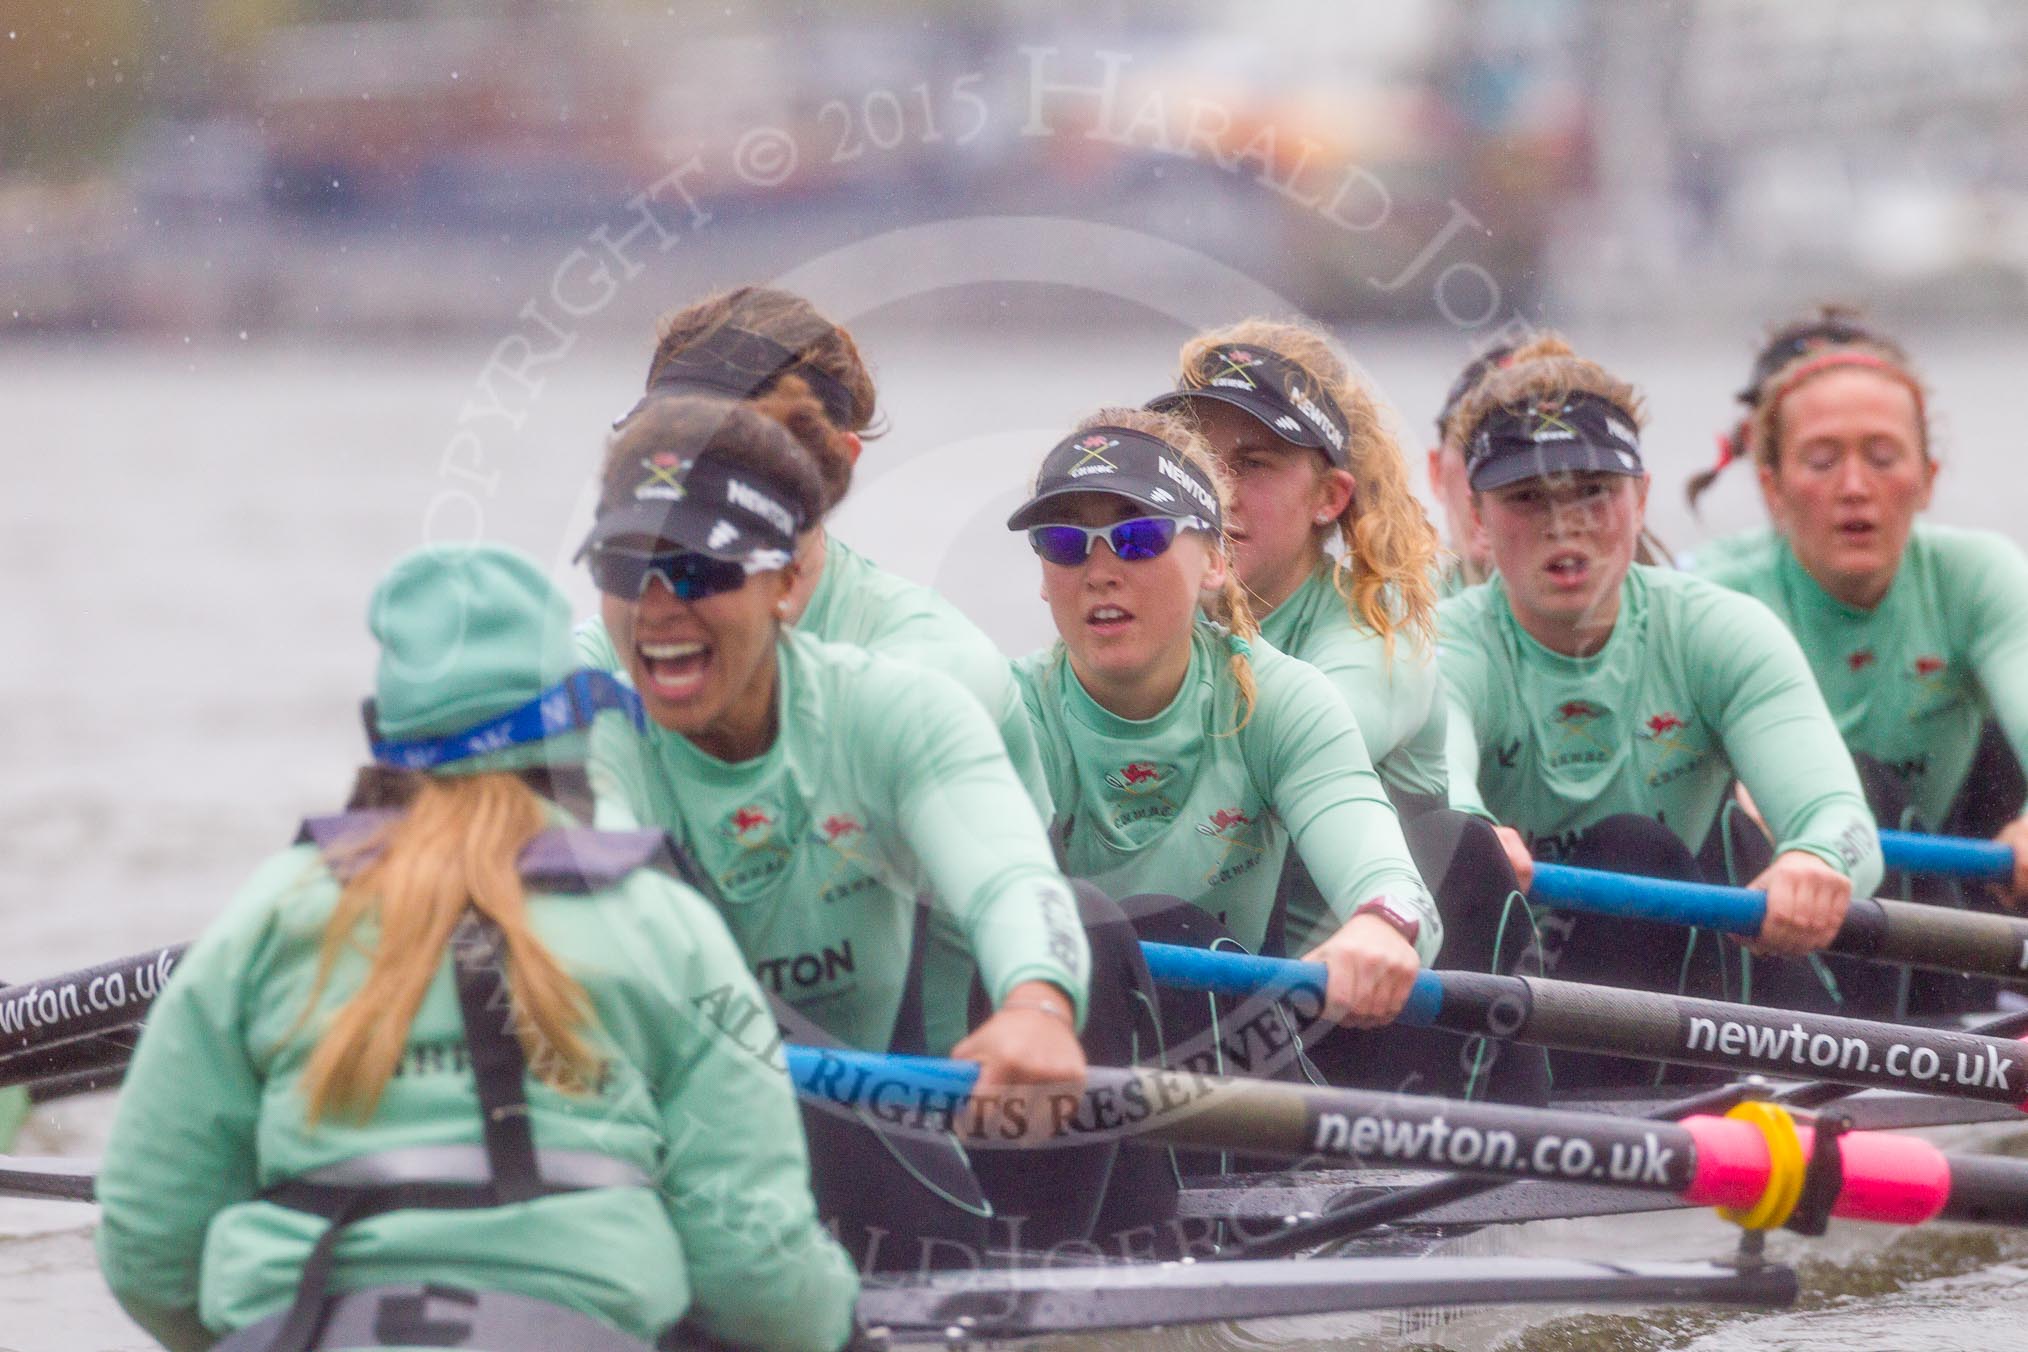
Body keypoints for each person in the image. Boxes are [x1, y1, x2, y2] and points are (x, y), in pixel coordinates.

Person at [95, 544, 858, 1352]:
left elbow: (149, 1239)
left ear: (380, 735)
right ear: (579, 721)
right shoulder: (662, 925)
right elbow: (754, 1267)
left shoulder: (271, 912)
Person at [577, 394, 1172, 1265]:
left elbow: (1013, 880)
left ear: (786, 580)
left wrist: (1038, 1004)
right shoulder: (580, 726)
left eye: (702, 569)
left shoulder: (897, 711)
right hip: (661, 1164)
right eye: (628, 567)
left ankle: (1049, 1285)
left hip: (869, 1180)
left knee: (1084, 924)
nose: (660, 605)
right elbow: (602, 892)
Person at [1435, 334, 1885, 1087]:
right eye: (1527, 498)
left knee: (1634, 847)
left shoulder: (1718, 631)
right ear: (1477, 520)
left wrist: (1815, 859)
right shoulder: (1443, 649)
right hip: (1511, 999)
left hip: (1696, 1004)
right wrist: (1467, 828)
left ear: (1640, 498)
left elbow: (1843, 817)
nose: (1563, 524)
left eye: (1591, 491)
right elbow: (1436, 787)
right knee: (1518, 853)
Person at [1147, 321, 1543, 1101]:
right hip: (1244, 1000)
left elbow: (1261, 757)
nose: (1217, 492)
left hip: (1382, 1021)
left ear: (1330, 497)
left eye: (1252, 464)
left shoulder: (1378, 627)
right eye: (1199, 462)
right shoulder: (1148, 618)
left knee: (1461, 843)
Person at [1006, 406, 1443, 1094]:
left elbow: (1389, 879)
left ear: (1214, 560)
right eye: (1065, 543)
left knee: (1172, 930)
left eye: (1139, 536)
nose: (1098, 571)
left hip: (1243, 1075)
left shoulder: (1279, 701)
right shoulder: (1010, 717)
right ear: (1042, 572)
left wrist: (1382, 925)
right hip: (1070, 1075)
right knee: (1094, 927)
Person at [1688, 308, 2028, 1013]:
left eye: (1882, 457)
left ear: (1927, 479)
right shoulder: (1706, 595)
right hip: (1766, 915)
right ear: (1772, 487)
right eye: (1821, 461)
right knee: (1851, 786)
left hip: (1933, 887)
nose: (1853, 487)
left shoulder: (1979, 575)